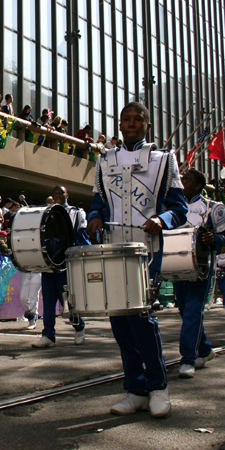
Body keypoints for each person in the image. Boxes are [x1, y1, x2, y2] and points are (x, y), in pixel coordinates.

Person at [87, 102, 187, 418]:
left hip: (147, 249)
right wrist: (93, 218)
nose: (131, 124)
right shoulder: (104, 161)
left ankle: (159, 388)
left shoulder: (164, 160)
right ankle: (136, 389)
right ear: (119, 125)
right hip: (113, 249)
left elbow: (179, 209)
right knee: (120, 322)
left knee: (142, 318)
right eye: (126, 120)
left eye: (137, 119)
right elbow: (97, 204)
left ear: (147, 124)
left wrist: (161, 219)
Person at [173, 169, 225, 378]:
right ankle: (205, 350)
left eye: (186, 179)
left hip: (202, 267)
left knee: (192, 311)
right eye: (181, 178)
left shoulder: (212, 207)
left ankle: (188, 359)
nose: (182, 181)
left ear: (198, 186)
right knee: (185, 311)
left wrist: (213, 240)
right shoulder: (173, 206)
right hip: (177, 266)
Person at [32, 186, 90, 348]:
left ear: (67, 195)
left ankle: (79, 328)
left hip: (67, 264)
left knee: (70, 301)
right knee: (49, 302)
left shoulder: (76, 213)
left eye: (61, 193)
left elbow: (82, 237)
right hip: (49, 264)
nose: (58, 195)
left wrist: (83, 258)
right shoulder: (45, 213)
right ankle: (48, 335)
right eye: (55, 193)